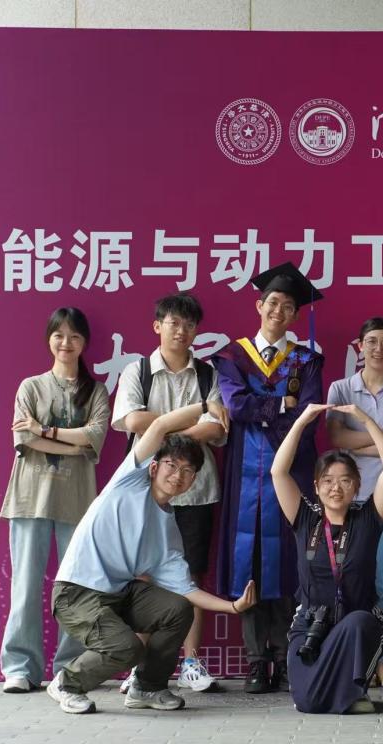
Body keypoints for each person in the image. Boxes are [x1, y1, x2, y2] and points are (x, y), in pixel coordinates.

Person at [48, 403, 257, 714]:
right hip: (76, 592)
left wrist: (233, 607)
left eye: (188, 471)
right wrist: (205, 406)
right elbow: (159, 427)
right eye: (172, 465)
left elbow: (187, 590)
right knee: (126, 647)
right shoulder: (129, 481)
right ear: (155, 467)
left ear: (193, 481)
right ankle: (68, 683)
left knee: (177, 609)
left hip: (118, 594)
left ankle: (147, 687)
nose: (178, 475)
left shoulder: (169, 531)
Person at [213, 263, 324, 693]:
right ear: (259, 305)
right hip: (245, 476)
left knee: (288, 561)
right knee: (251, 562)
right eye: (272, 302)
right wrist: (279, 407)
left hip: (290, 471)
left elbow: (308, 415)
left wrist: (266, 412)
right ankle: (257, 661)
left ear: (295, 315)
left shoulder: (305, 361)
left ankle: (285, 656)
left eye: (288, 306)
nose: (278, 310)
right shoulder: (232, 357)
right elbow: (235, 405)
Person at [112, 292, 227, 693]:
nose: (181, 331)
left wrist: (162, 428)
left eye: (189, 324)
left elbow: (217, 427)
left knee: (190, 574)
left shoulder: (208, 374)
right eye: (173, 323)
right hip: (146, 491)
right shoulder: (138, 371)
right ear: (157, 326)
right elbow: (131, 420)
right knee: (143, 577)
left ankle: (190, 662)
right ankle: (139, 665)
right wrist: (190, 425)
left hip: (197, 491)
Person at [0, 307, 111, 693]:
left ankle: (70, 667)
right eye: (59, 335)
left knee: (74, 589)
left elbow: (95, 436)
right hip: (29, 498)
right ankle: (20, 666)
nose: (66, 343)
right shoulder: (30, 387)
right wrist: (73, 443)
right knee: (25, 585)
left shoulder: (96, 391)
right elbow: (24, 439)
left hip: (77, 502)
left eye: (74, 336)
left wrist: (44, 430)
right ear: (49, 339)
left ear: (85, 343)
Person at [271, 402, 383, 714]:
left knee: (360, 622)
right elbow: (278, 472)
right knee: (307, 702)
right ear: (316, 487)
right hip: (311, 624)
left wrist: (365, 419)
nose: (336, 488)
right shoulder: (306, 520)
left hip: (356, 624)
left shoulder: (368, 518)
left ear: (356, 486)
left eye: (345, 480)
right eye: (328, 480)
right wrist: (302, 420)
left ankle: (354, 692)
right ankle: (336, 694)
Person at [326, 317, 383, 687]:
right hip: (349, 500)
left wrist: (361, 440)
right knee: (349, 580)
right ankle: (353, 660)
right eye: (371, 341)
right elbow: (336, 438)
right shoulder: (340, 388)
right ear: (360, 346)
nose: (378, 349)